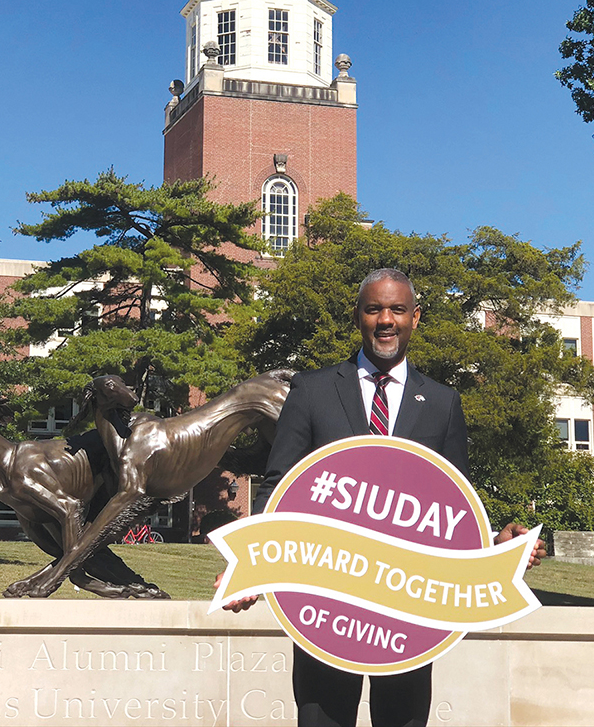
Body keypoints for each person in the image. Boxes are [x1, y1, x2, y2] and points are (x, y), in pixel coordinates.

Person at [216, 267, 545, 727]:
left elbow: (452, 506)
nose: (385, 320)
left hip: (406, 614)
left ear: (415, 317)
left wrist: (495, 543)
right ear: (359, 317)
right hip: (325, 608)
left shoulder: (444, 402)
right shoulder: (311, 391)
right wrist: (257, 567)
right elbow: (279, 487)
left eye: (397, 309)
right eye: (374, 309)